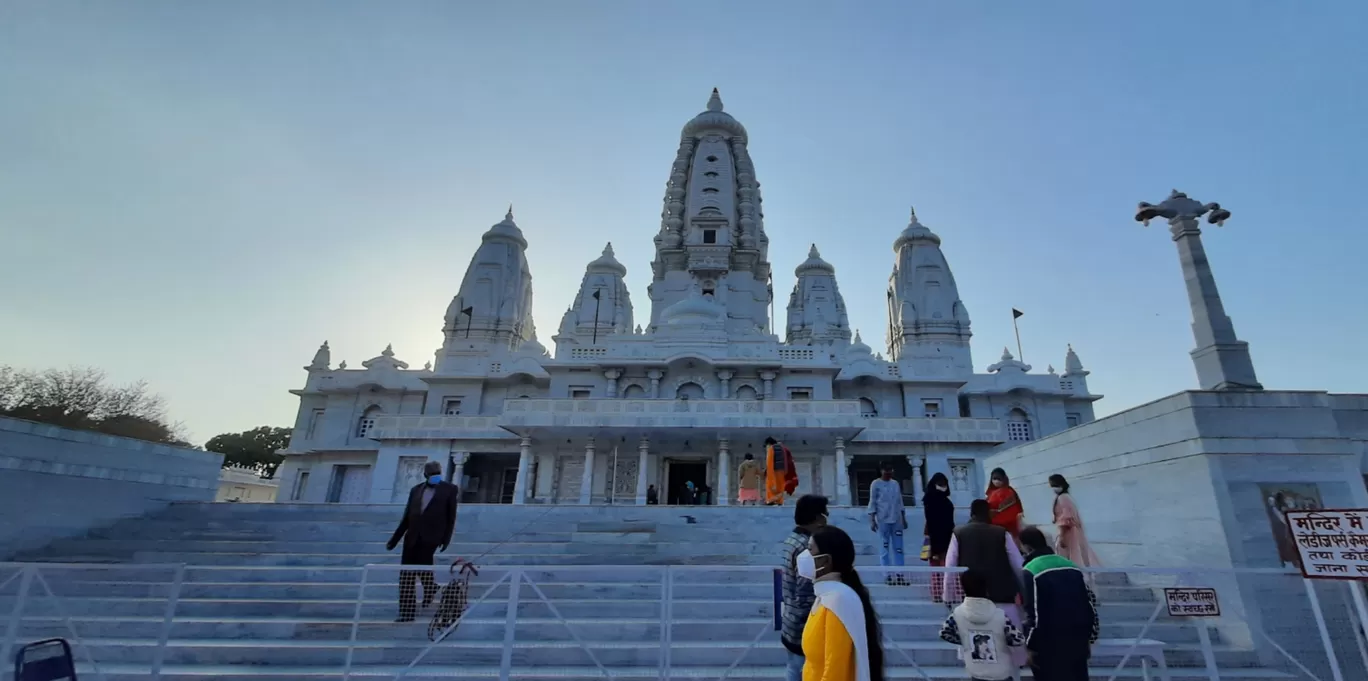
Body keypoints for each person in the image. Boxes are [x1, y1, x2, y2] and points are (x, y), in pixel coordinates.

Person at [942, 499, 1026, 668]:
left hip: (972, 601)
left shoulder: (959, 533)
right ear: (988, 513)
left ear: (971, 513)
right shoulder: (1001, 533)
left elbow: (950, 566)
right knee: (1010, 652)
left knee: (977, 653)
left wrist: (948, 595)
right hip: (1002, 596)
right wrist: (1026, 591)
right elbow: (1018, 565)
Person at [797, 525, 886, 681]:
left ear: (826, 560)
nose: (804, 555)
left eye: (810, 550)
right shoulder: (825, 596)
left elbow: (834, 670)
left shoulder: (837, 601)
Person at [1019, 526, 1099, 681]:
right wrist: (1088, 637)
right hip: (1078, 642)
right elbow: (1088, 603)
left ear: (1026, 547)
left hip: (1049, 646)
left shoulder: (1031, 570)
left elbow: (1034, 615)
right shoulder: (1071, 566)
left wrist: (1030, 645)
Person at [386, 460, 459, 622]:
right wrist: (394, 539)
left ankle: (431, 587)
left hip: (432, 536)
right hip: (411, 536)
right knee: (406, 575)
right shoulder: (416, 490)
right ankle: (406, 612)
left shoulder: (449, 490)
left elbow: (451, 516)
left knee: (423, 564)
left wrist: (446, 539)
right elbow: (407, 517)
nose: (435, 477)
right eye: (432, 474)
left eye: (437, 473)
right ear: (425, 475)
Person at [939, 570, 1026, 681]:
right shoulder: (999, 615)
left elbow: (944, 633)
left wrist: (965, 640)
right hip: (1001, 672)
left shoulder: (957, 614)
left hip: (976, 671)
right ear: (986, 588)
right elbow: (1018, 639)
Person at [781, 494, 829, 681]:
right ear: (816, 518)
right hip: (803, 625)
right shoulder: (807, 548)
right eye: (825, 514)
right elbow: (805, 592)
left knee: (794, 669)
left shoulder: (792, 539)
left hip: (791, 621)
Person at [867, 461, 908, 585]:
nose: (889, 473)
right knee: (884, 549)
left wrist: (904, 518)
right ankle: (887, 575)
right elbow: (872, 501)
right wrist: (872, 520)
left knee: (899, 548)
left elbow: (899, 501)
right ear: (881, 471)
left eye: (891, 470)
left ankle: (900, 574)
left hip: (896, 520)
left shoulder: (895, 484)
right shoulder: (876, 484)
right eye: (886, 470)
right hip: (882, 520)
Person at [1049, 474, 1101, 570]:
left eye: (1054, 485)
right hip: (1074, 532)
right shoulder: (1067, 497)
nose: (1053, 488)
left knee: (1071, 557)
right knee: (1079, 556)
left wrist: (1062, 536)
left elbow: (1066, 519)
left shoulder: (1063, 498)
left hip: (1069, 533)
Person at [923, 472, 956, 603]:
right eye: (940, 484)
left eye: (944, 484)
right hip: (936, 537)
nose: (942, 487)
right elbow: (931, 521)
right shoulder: (931, 500)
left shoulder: (942, 501)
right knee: (940, 568)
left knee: (941, 567)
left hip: (946, 536)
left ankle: (942, 593)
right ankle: (940, 593)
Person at [986, 468, 1024, 541]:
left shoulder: (1009, 491)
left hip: (1007, 525)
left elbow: (1009, 509)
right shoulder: (990, 493)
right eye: (994, 478)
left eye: (999, 479)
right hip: (993, 525)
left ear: (1004, 479)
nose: (996, 481)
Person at [765, 437, 799, 506]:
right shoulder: (783, 449)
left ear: (769, 444)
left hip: (774, 473)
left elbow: (770, 465)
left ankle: (771, 500)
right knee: (780, 489)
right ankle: (779, 501)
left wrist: (771, 482)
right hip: (783, 473)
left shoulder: (771, 449)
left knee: (772, 489)